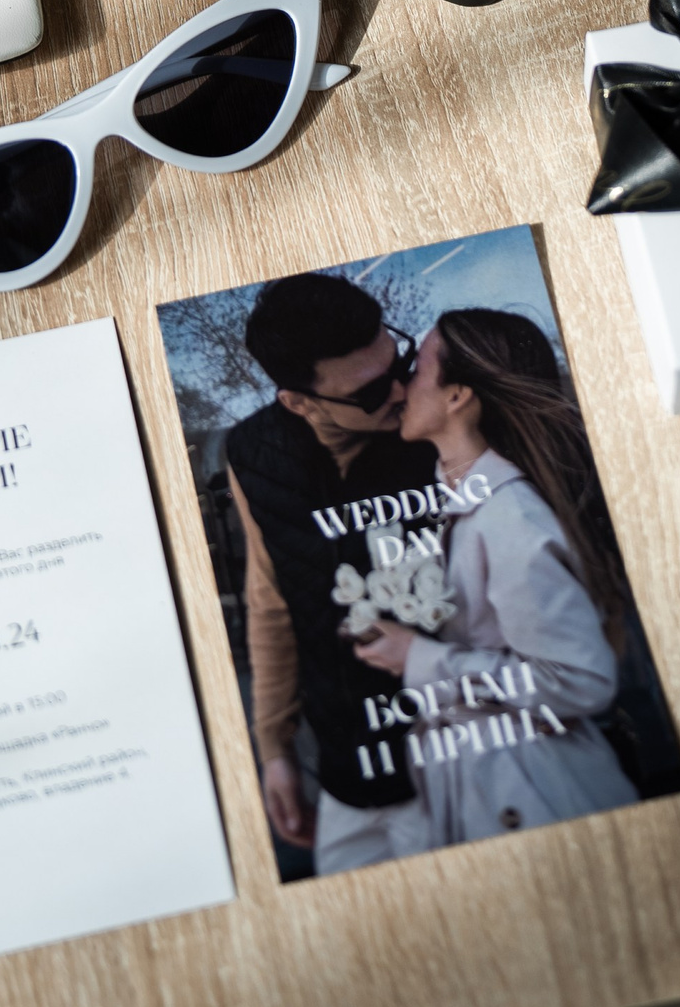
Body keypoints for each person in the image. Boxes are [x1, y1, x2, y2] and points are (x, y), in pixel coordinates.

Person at [352, 308, 639, 846]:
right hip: (488, 784)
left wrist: (418, 657)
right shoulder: (455, 500)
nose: (401, 387)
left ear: (457, 396)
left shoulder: (510, 516)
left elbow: (581, 679)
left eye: (417, 369)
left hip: (538, 795)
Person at [225, 272, 440, 874]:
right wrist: (275, 749)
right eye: (369, 393)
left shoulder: (435, 430)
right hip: (344, 768)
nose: (399, 392)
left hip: (455, 755)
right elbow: (270, 598)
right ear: (298, 402)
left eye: (399, 362)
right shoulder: (252, 454)